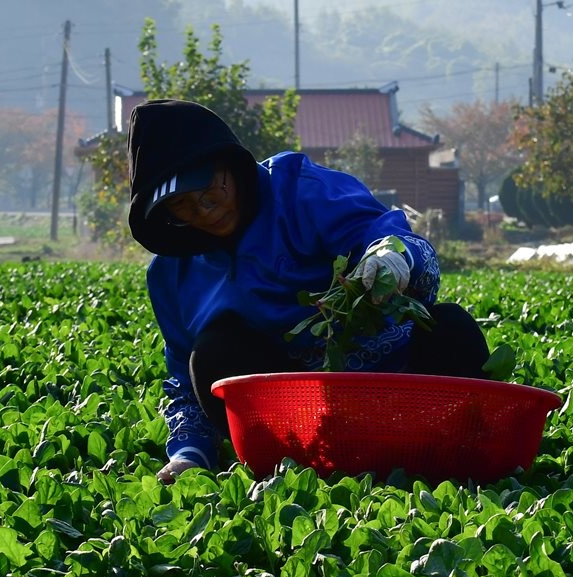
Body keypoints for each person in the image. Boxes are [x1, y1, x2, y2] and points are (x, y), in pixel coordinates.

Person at [126, 99, 491, 483]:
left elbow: (389, 237)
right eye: (183, 206)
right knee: (211, 353)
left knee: (450, 327)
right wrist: (188, 453)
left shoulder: (300, 189)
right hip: (297, 421)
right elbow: (184, 381)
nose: (205, 212)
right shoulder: (171, 275)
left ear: (229, 165)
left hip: (394, 380)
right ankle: (284, 467)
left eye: (210, 190)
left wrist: (389, 256)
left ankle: (435, 449)